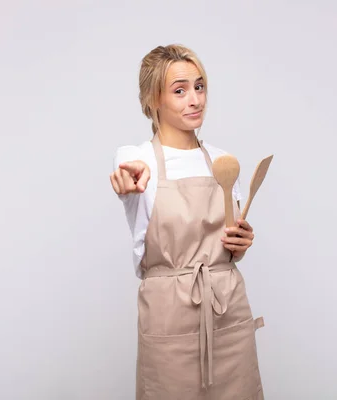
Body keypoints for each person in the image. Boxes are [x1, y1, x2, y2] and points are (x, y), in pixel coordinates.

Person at [110, 44, 264, 399]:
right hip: (169, 313)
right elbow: (126, 174)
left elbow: (229, 244)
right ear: (153, 100)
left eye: (200, 86)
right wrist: (125, 181)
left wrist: (239, 244)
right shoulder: (139, 158)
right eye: (179, 91)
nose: (194, 99)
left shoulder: (223, 161)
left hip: (227, 308)